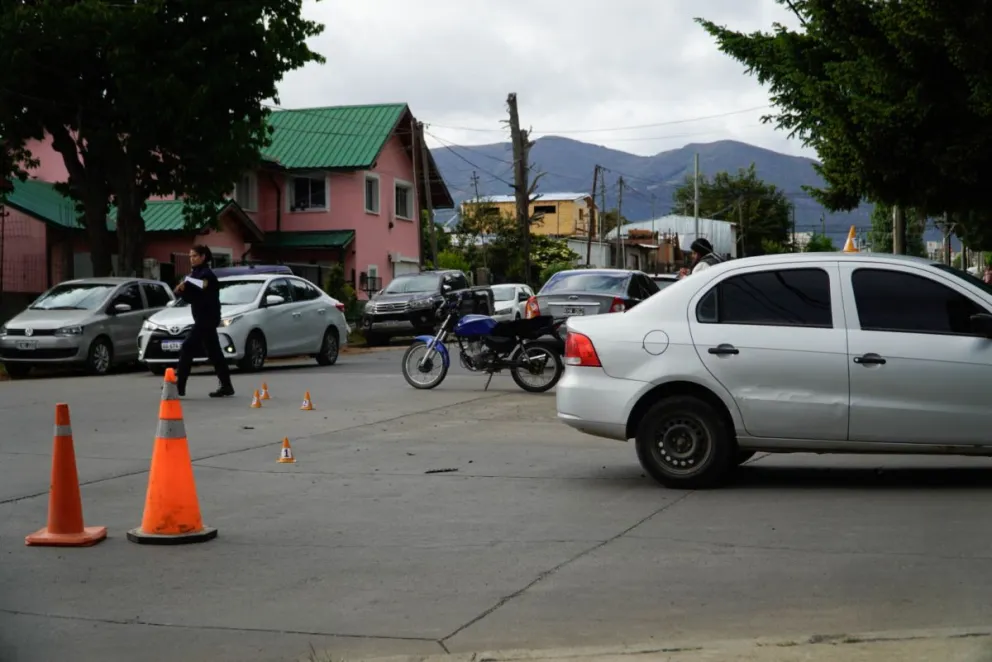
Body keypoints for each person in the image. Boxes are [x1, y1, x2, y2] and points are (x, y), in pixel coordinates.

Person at [174, 245, 235, 398]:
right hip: (202, 318)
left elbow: (202, 287)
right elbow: (192, 297)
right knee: (214, 353)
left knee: (187, 346)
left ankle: (179, 386)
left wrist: (186, 285)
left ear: (203, 257)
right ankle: (227, 386)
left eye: (194, 256)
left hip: (207, 318)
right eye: (190, 256)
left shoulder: (206, 274)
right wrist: (181, 290)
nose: (191, 259)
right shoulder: (195, 274)